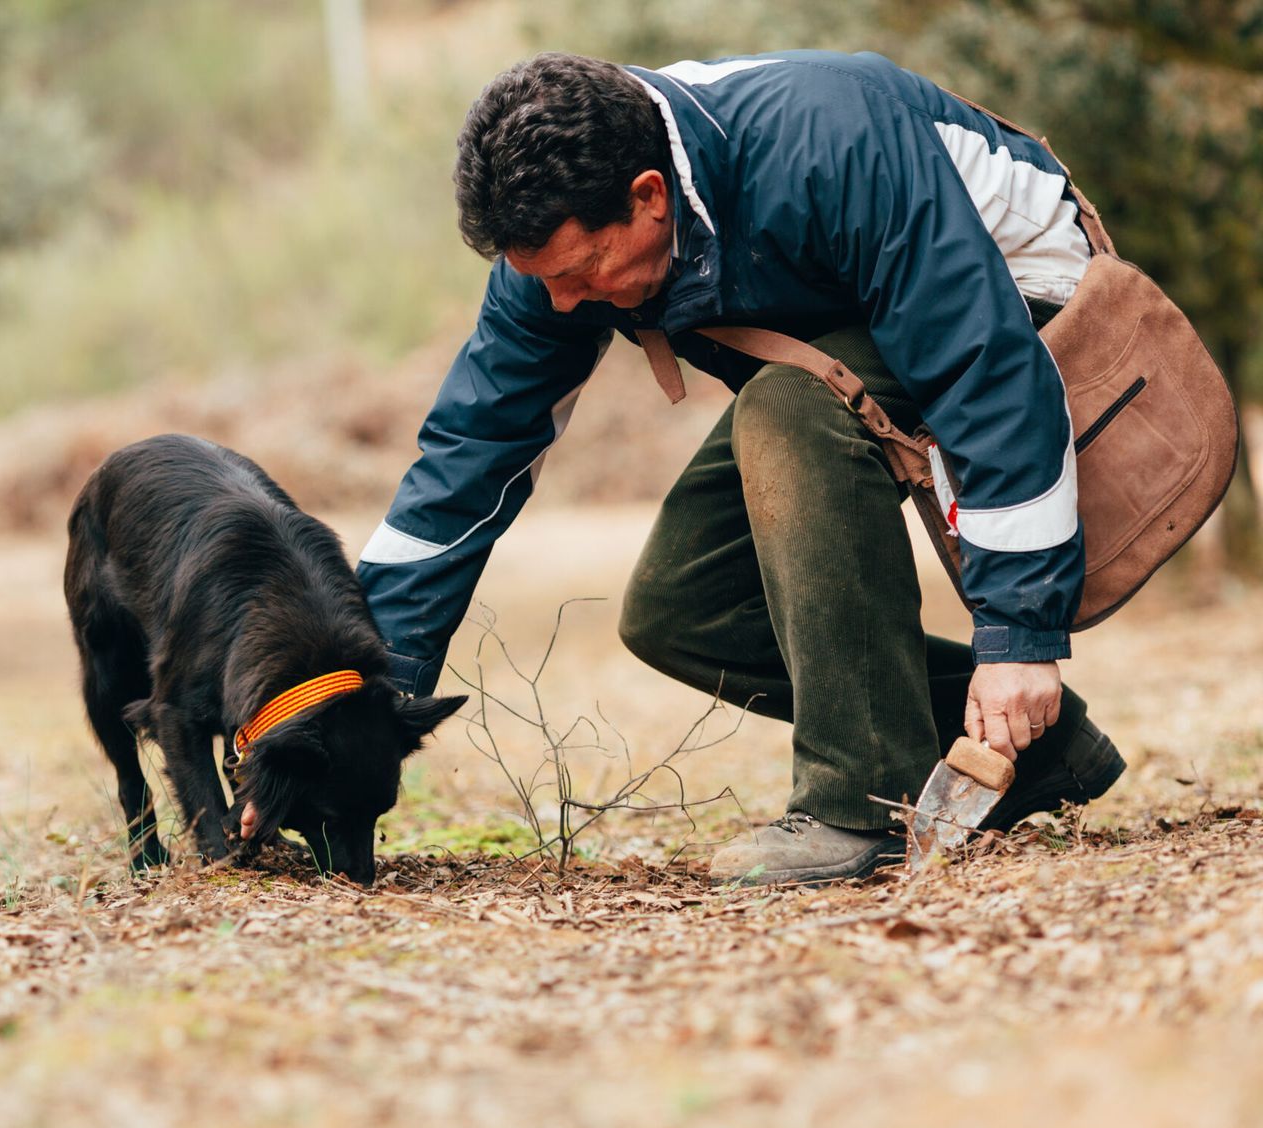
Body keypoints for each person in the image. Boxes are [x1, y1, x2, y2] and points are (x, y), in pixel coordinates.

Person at [356, 50, 1125, 885]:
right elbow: (466, 460)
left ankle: (863, 807)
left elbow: (985, 366)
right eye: (546, 282)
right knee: (682, 605)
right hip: (841, 336)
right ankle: (1044, 754)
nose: (566, 303)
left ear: (649, 197)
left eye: (582, 273)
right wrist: (362, 691)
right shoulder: (552, 268)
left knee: (787, 406)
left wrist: (1019, 638)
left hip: (1024, 293)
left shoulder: (827, 143)